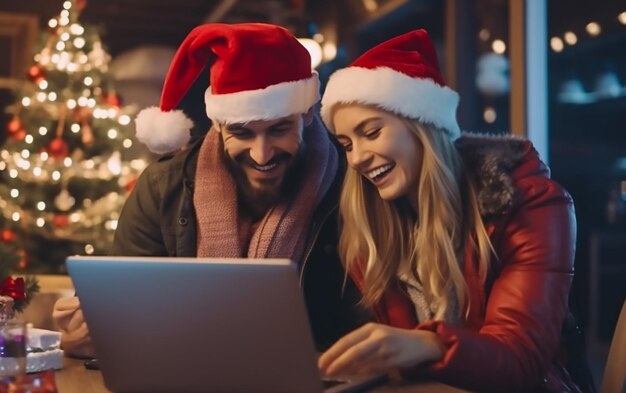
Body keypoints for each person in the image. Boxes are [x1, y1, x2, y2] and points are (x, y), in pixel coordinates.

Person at [53, 23, 368, 358]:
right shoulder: (162, 189)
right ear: (218, 124)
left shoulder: (352, 187)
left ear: (306, 115)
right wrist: (94, 336)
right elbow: (128, 318)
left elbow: (369, 320)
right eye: (242, 133)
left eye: (278, 129)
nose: (262, 154)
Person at [317, 29, 585, 393]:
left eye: (372, 132)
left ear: (422, 126)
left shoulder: (529, 204)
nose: (357, 158)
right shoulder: (372, 229)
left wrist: (429, 345)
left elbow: (522, 359)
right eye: (347, 144)